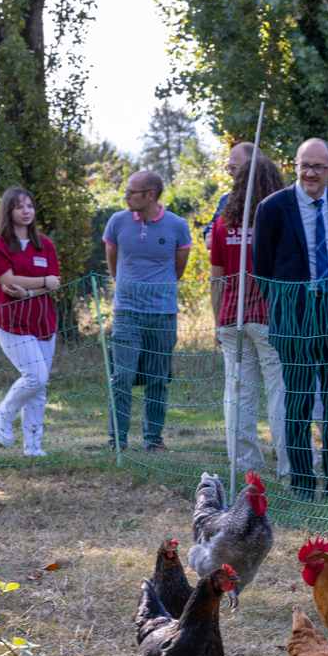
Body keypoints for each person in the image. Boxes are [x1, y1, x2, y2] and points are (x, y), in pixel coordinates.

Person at [252, 138, 328, 501]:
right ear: (294, 166)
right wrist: (289, 308)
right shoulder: (272, 207)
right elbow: (263, 269)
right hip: (294, 316)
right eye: (304, 166)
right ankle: (302, 483)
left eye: (319, 167)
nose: (311, 173)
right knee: (297, 403)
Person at [208, 154, 291, 477]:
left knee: (238, 393)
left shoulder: (222, 225)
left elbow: (216, 279)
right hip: (269, 316)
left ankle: (244, 465)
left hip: (231, 314)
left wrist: (217, 321)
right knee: (279, 391)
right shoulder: (279, 218)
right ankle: (289, 464)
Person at [103, 170, 192, 452]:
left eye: (132, 192)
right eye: (126, 191)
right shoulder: (117, 222)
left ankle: (153, 439)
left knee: (158, 379)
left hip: (163, 314)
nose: (126, 196)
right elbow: (113, 266)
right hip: (126, 312)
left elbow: (177, 269)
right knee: (122, 376)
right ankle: (118, 441)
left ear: (151, 196)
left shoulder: (177, 226)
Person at [0, 187, 60, 457]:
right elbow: (7, 281)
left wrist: (30, 291)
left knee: (39, 386)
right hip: (11, 320)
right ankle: (2, 415)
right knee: (35, 376)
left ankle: (33, 447)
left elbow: (55, 283)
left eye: (30, 206)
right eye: (19, 207)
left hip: (43, 319)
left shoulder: (45, 244)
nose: (26, 211)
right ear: (8, 211)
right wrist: (43, 281)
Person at [202, 142, 254, 249]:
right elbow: (209, 242)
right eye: (229, 168)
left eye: (234, 167)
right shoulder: (227, 200)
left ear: (252, 167)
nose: (230, 173)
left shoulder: (274, 199)